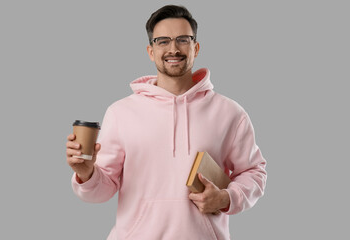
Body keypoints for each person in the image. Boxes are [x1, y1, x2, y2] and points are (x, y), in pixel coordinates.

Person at [66, 5, 267, 240]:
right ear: (151, 51)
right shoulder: (121, 112)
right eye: (163, 41)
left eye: (183, 39)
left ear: (196, 47)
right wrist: (87, 174)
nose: (173, 48)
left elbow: (254, 172)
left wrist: (226, 198)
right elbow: (101, 191)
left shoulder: (230, 112)